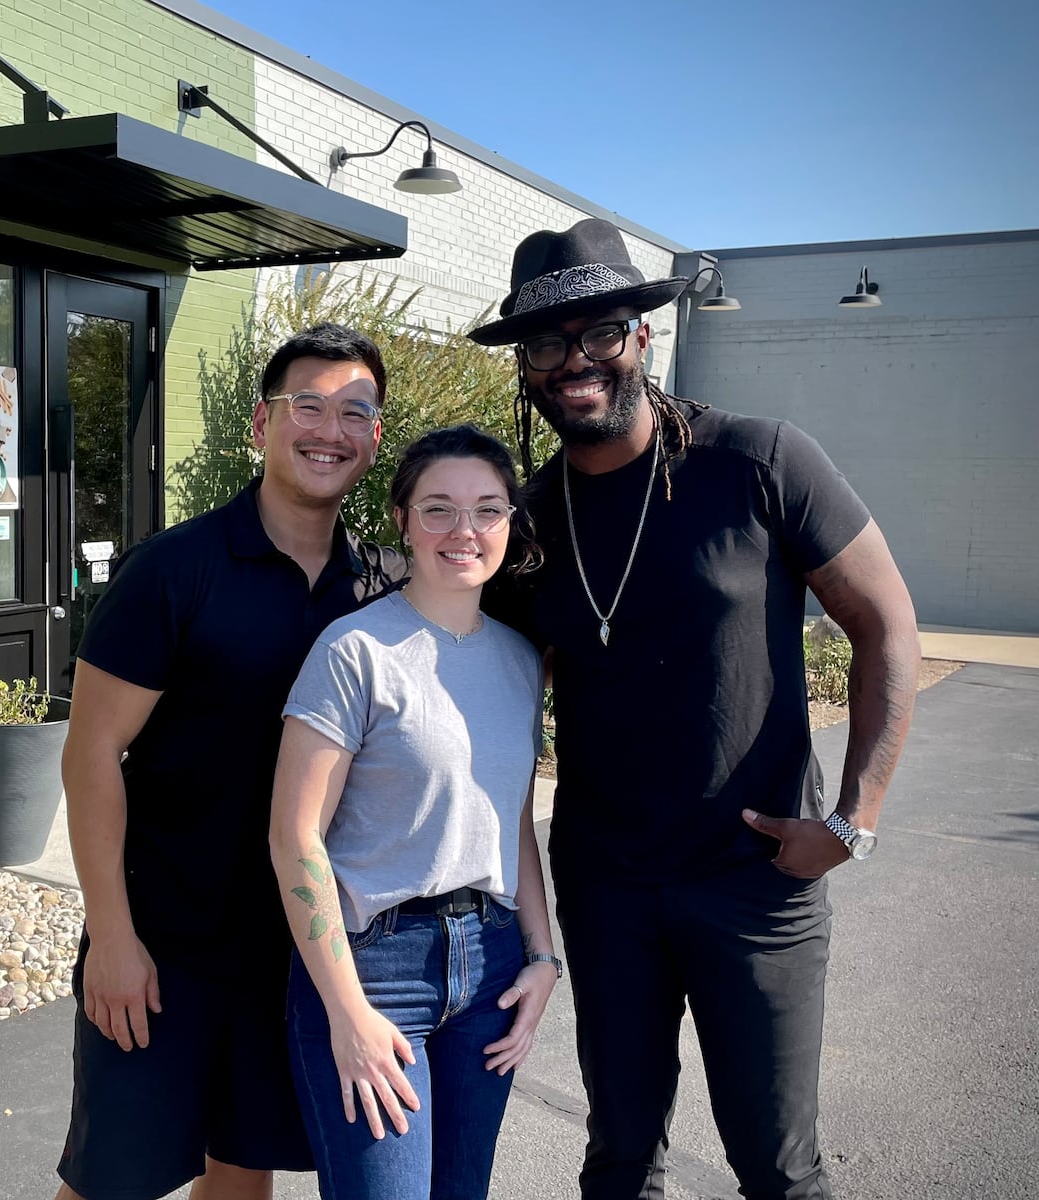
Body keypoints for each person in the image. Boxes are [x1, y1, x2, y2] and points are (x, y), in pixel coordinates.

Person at [470, 218, 921, 1200]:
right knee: (620, 1159)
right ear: (525, 368)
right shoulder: (526, 524)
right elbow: (483, 699)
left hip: (753, 885)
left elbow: (887, 624)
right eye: (546, 344)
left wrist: (855, 822)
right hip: (608, 893)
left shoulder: (757, 463)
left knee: (778, 1168)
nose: (572, 362)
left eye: (597, 332)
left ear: (641, 334)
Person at [53, 323, 404, 1200]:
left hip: (291, 955)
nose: (329, 429)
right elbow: (92, 753)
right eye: (306, 407)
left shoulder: (379, 591)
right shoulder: (172, 571)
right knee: (113, 1181)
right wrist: (113, 937)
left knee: (243, 1174)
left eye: (353, 412)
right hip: (162, 944)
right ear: (260, 424)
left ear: (373, 439)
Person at [270, 425, 559, 1200]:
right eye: (438, 509)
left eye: (487, 510)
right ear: (402, 519)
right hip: (376, 969)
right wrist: (345, 1009)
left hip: (492, 963)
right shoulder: (355, 650)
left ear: (509, 525)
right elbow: (294, 837)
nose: (463, 531)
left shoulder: (521, 659)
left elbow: (513, 821)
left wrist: (542, 958)